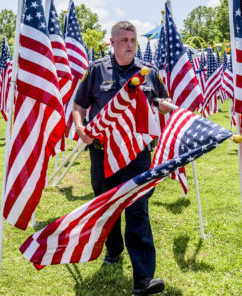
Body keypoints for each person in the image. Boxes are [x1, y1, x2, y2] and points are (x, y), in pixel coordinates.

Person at [72, 21, 172, 295]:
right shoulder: (96, 70)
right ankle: (113, 250)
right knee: (108, 206)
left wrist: (165, 107)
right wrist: (80, 127)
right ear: (112, 42)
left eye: (133, 39)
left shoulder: (148, 72)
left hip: (138, 154)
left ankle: (143, 278)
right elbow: (79, 104)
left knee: (138, 209)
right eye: (124, 39)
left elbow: (163, 101)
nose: (130, 44)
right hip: (103, 154)